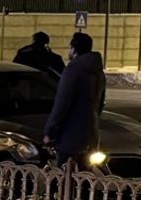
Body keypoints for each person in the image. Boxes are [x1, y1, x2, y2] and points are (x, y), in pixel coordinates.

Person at [44, 32, 105, 168]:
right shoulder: (98, 72)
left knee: (64, 177)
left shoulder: (73, 71)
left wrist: (50, 131)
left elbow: (62, 103)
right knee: (84, 177)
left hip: (69, 136)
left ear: (74, 49)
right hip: (91, 135)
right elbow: (100, 103)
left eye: (70, 47)